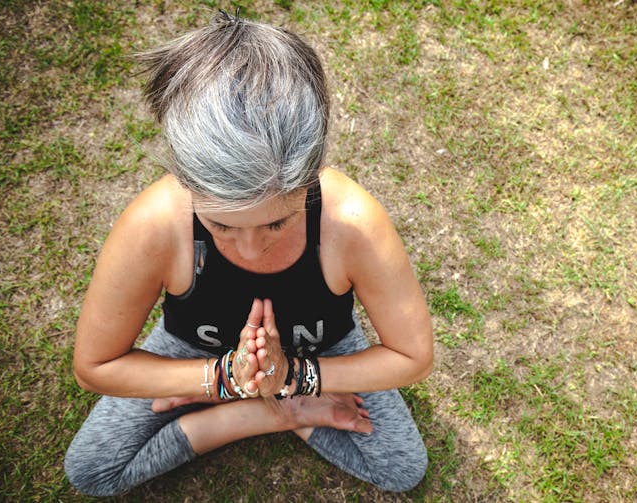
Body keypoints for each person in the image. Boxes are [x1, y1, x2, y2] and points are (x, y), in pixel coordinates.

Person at [64, 10, 433, 497]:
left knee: (401, 468)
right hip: (198, 350)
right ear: (188, 185)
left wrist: (296, 375)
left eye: (277, 222)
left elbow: (413, 355)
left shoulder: (352, 222)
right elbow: (95, 365)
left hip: (319, 350)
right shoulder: (154, 225)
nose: (250, 246)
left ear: (311, 180)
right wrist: (229, 382)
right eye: (220, 225)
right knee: (92, 470)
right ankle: (266, 415)